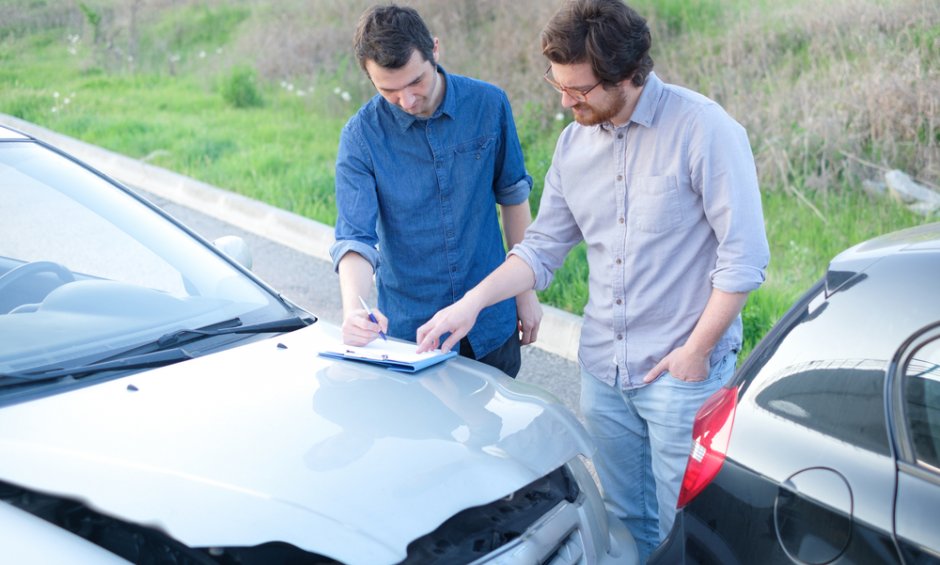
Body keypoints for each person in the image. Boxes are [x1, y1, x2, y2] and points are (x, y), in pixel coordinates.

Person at [415, 0, 770, 560]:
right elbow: (542, 247)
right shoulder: (573, 144)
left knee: (687, 527)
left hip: (683, 375)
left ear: (630, 76)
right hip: (603, 371)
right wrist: (470, 305)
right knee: (627, 521)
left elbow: (745, 258)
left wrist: (695, 354)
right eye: (558, 85)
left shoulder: (704, 130)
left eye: (579, 91)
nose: (565, 101)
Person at [330, 4, 542, 378]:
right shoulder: (360, 136)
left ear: (435, 50)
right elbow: (355, 239)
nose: (407, 101)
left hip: (491, 320)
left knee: (497, 435)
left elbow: (513, 198)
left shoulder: (489, 104)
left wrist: (526, 293)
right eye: (389, 90)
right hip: (411, 334)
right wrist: (353, 311)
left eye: (416, 82)